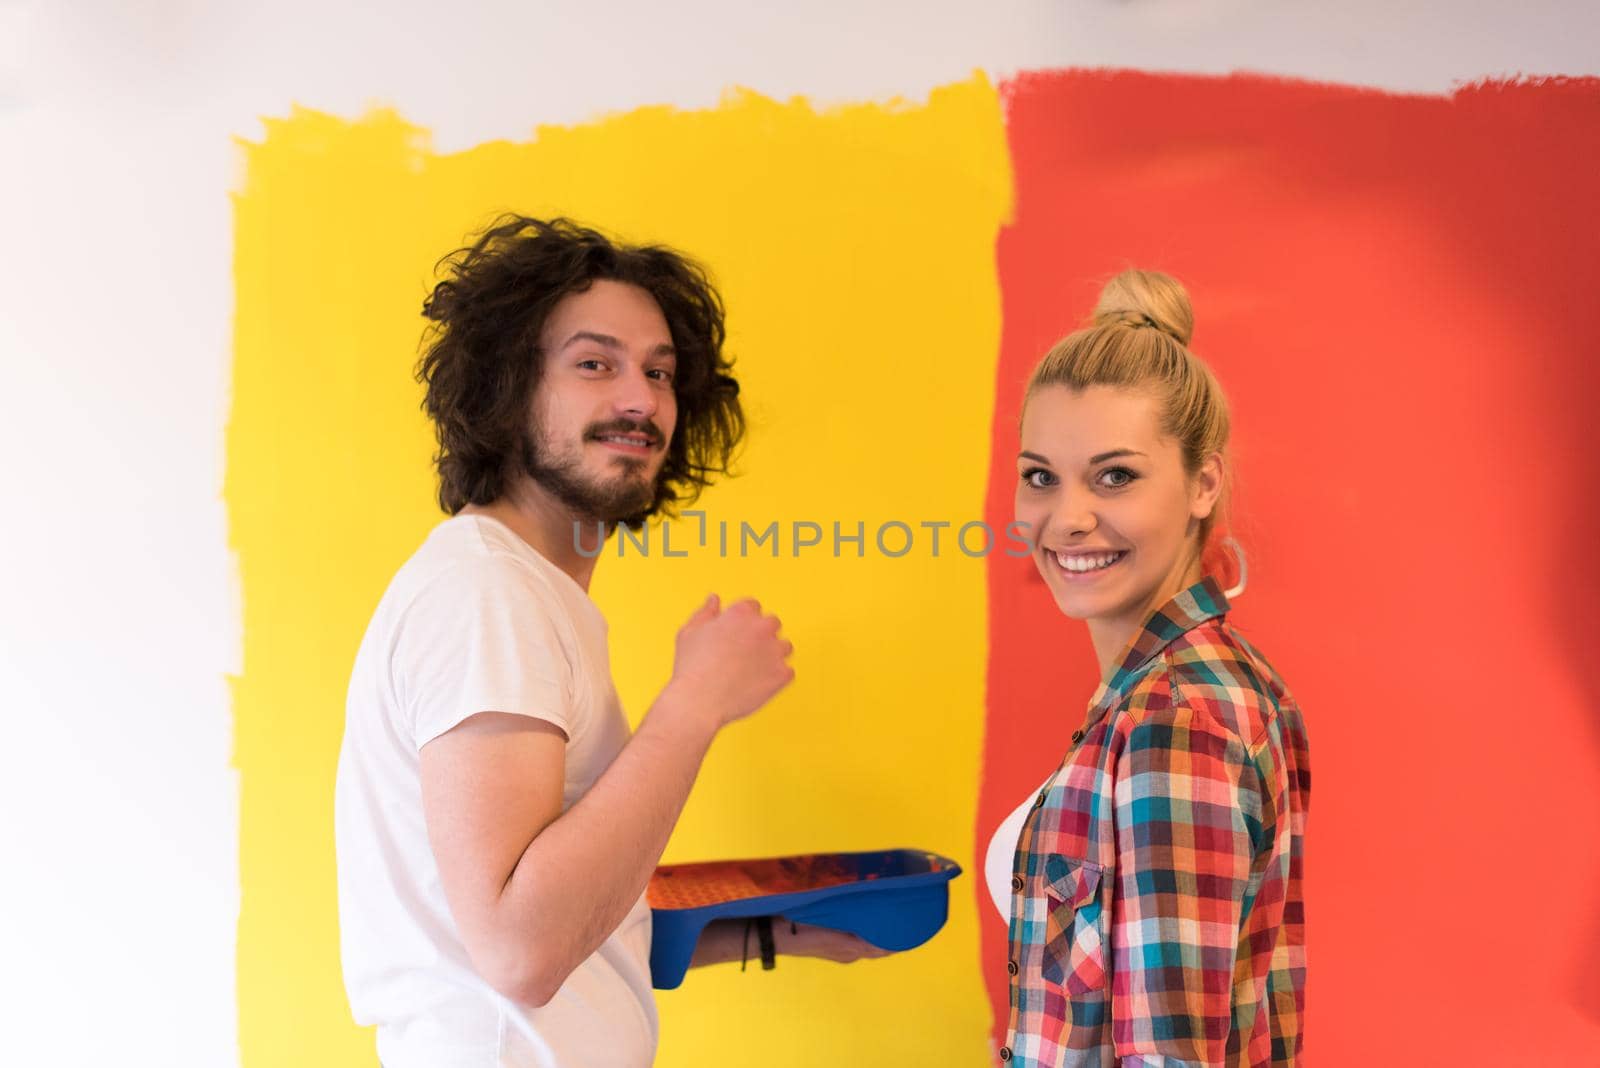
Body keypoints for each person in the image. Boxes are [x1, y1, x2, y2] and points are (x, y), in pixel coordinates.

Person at [334, 216, 880, 1068]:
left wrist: (782, 931)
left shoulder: (524, 594)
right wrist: (694, 705)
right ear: (507, 392)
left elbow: (576, 913)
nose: (641, 399)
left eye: (659, 372)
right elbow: (521, 951)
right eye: (596, 364)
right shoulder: (488, 595)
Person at [988, 269, 1309, 1066]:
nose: (1067, 518)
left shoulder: (1174, 717)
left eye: (1115, 476)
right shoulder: (1179, 686)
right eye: (1041, 477)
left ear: (1204, 484)